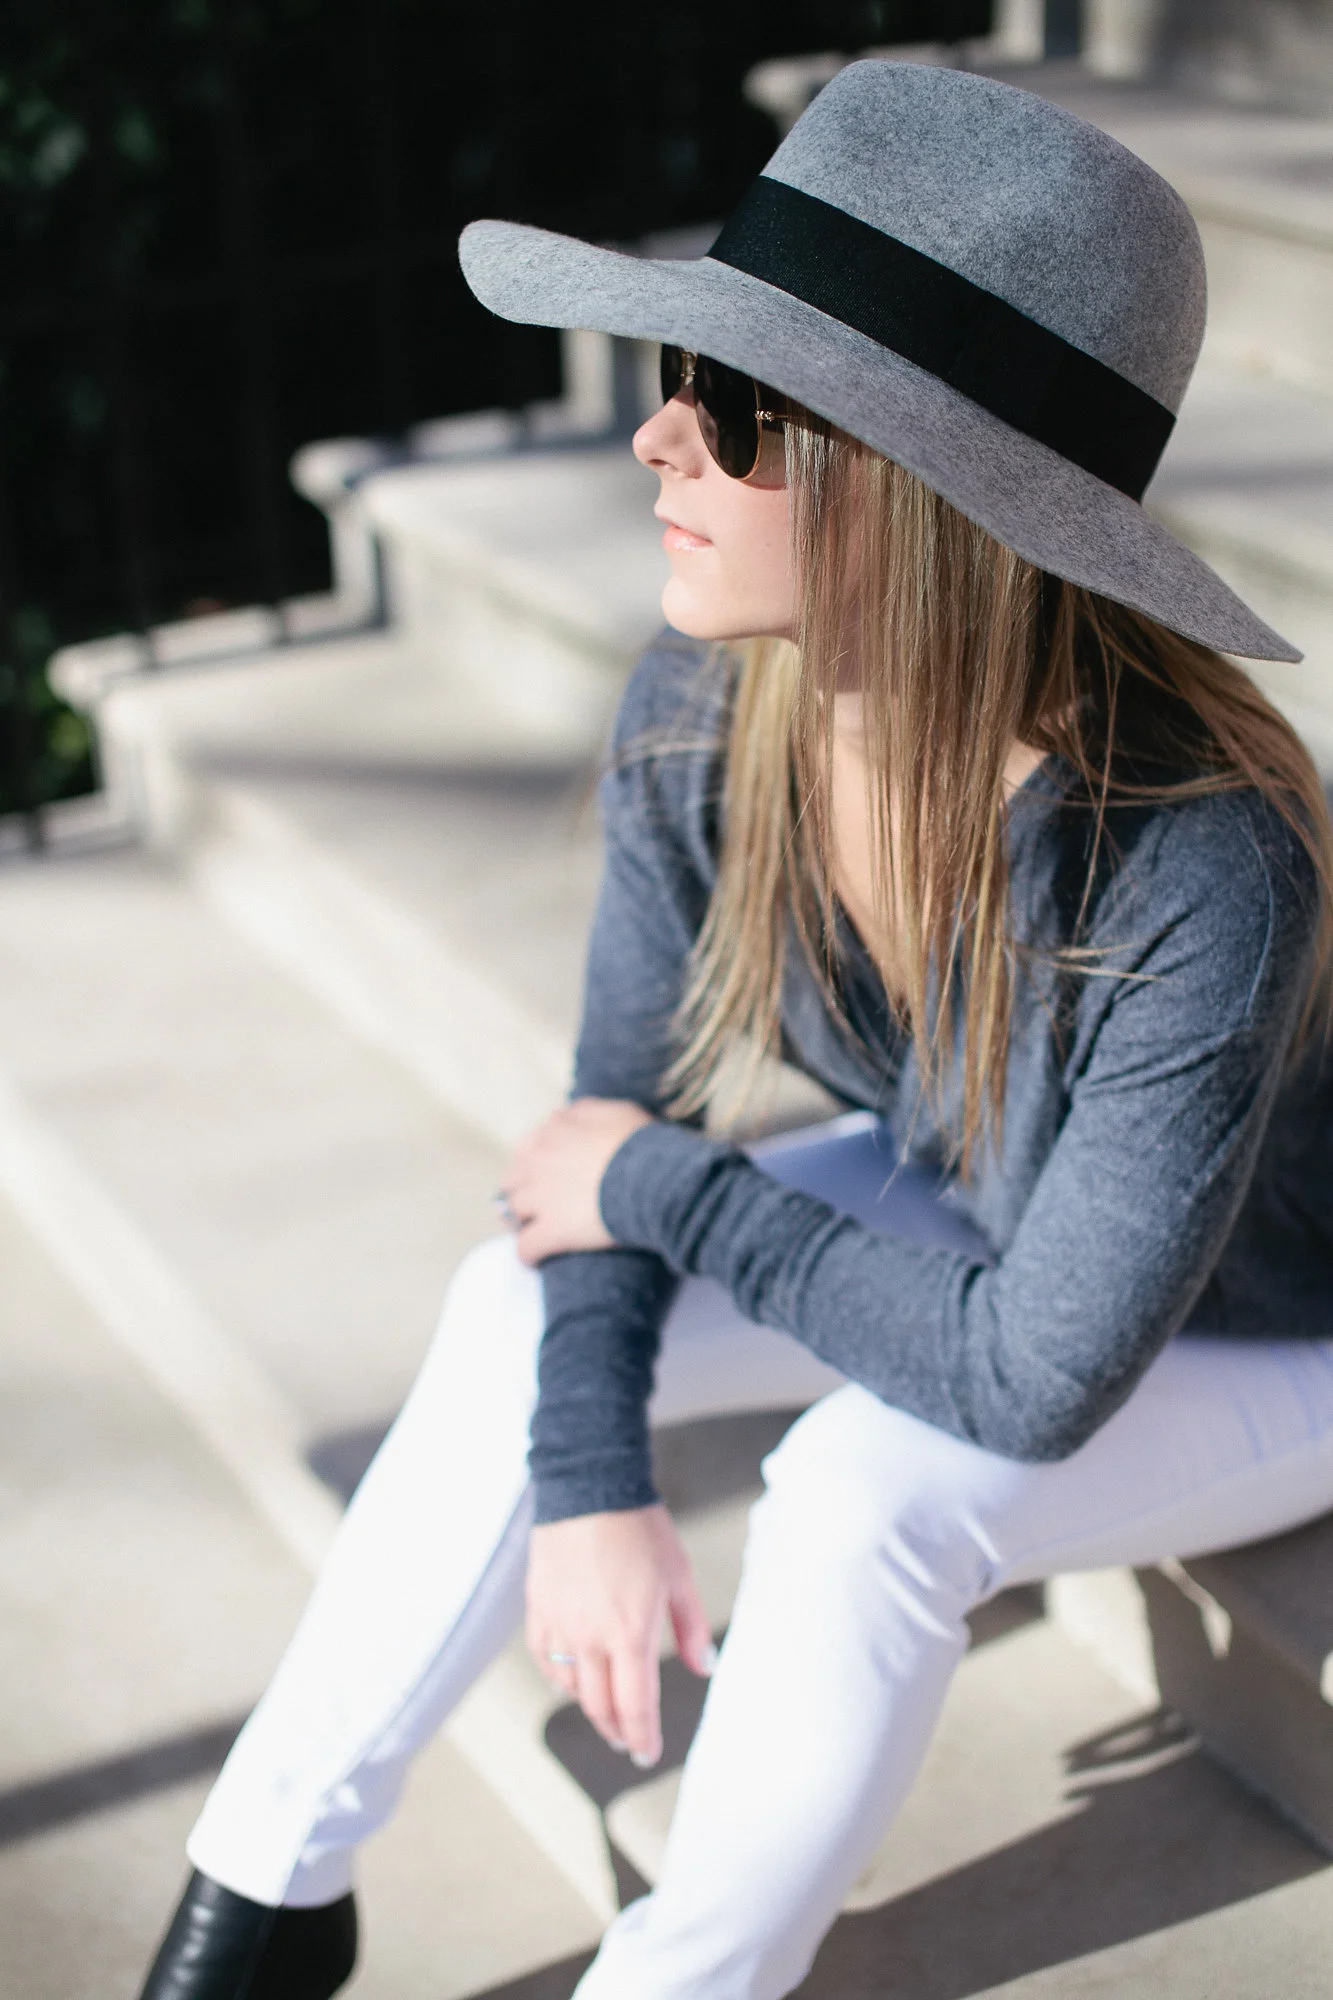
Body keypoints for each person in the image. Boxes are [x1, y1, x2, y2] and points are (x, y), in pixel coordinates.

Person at [139, 59, 1333, 2000]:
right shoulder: (713, 716)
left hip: (1275, 1309)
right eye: (679, 382)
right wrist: (595, 1467)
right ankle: (261, 1906)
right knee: (515, 1296)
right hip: (989, 1187)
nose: (658, 442)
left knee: (865, 1493)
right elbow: (604, 1122)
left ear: (921, 491)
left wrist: (672, 1187)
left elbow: (1032, 1381)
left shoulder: (1203, 852)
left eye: (738, 409)